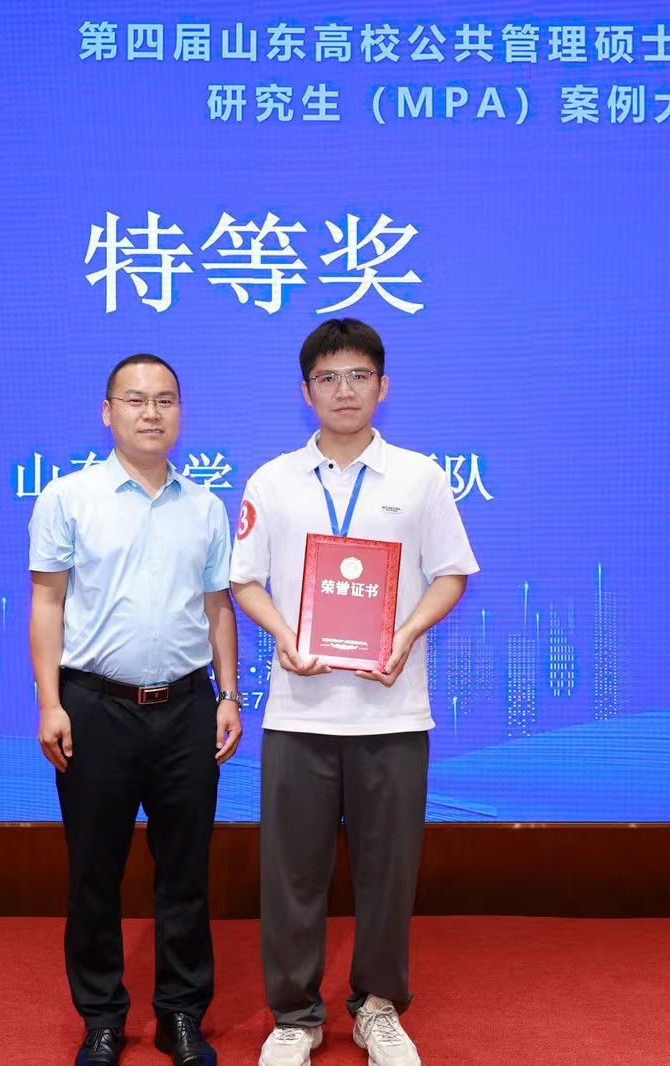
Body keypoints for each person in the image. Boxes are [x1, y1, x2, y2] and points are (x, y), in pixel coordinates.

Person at [230, 319, 479, 1066]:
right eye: (328, 378)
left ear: (383, 386)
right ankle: (295, 1017)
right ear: (306, 392)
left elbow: (452, 574)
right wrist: (284, 634)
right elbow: (245, 580)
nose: (345, 391)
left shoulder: (420, 477)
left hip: (392, 712)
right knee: (292, 873)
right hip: (298, 712)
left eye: (359, 376)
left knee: (388, 873)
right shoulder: (273, 480)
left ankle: (378, 1008)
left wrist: (404, 634)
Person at [29, 354, 243, 1066]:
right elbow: (47, 603)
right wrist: (50, 702)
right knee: (94, 872)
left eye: (165, 400)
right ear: (107, 411)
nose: (152, 413)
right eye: (135, 400)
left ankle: (181, 1015)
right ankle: (101, 1019)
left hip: (186, 709)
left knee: (185, 873)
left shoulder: (205, 507)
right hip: (95, 708)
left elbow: (218, 607)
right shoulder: (68, 498)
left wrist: (228, 694)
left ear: (180, 412)